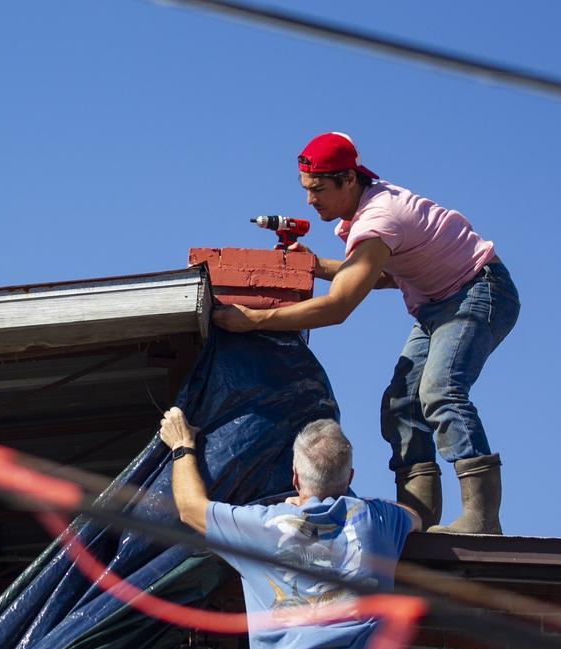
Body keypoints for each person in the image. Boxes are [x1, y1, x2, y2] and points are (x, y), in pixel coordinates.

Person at [212, 132, 519, 534]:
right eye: (306, 190)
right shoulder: (368, 215)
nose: (310, 200)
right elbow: (381, 276)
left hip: (478, 292)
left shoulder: (378, 220)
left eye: (318, 190)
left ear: (349, 181)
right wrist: (317, 266)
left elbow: (339, 307)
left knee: (441, 391)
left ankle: (481, 517)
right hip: (437, 304)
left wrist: (251, 321)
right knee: (401, 406)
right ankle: (418, 520)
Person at [159, 409, 419, 649]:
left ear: (295, 477)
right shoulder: (377, 519)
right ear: (350, 477)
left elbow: (191, 509)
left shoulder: (263, 528)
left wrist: (181, 445)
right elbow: (415, 516)